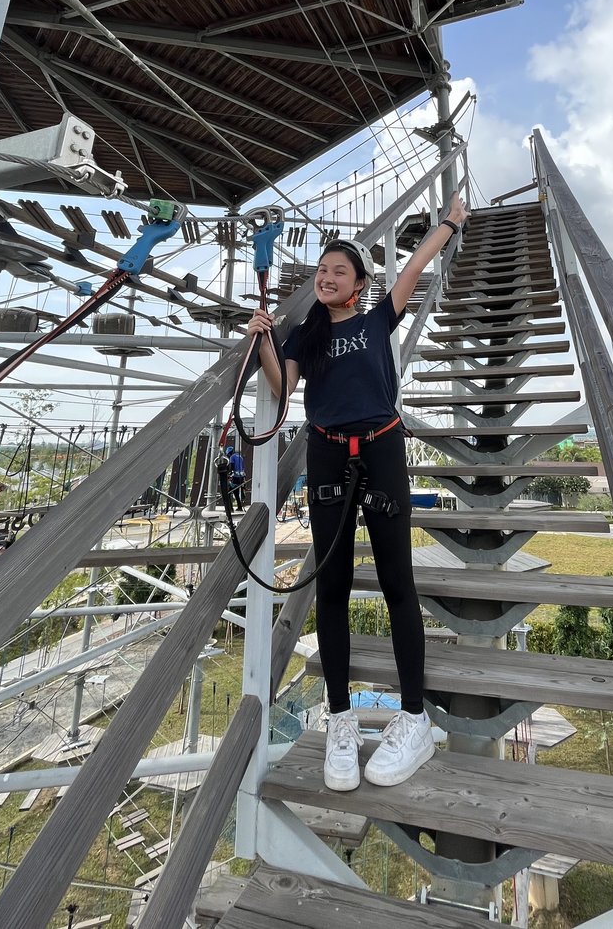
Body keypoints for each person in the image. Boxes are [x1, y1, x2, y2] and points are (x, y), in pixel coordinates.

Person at [246, 191, 469, 791]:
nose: (325, 277)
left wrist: (449, 222)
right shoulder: (305, 335)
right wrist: (265, 339)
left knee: (398, 580)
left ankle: (413, 719)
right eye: (321, 270)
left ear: (360, 283)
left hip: (381, 447)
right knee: (334, 585)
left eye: (338, 271)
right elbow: (283, 384)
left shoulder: (377, 318)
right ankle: (340, 719)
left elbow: (417, 262)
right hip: (326, 454)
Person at [225, 444, 245, 511]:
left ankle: (230, 508)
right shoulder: (240, 457)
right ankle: (240, 507)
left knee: (227, 493)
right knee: (236, 492)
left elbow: (231, 467)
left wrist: (228, 474)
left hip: (235, 478)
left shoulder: (232, 457)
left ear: (229, 453)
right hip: (241, 477)